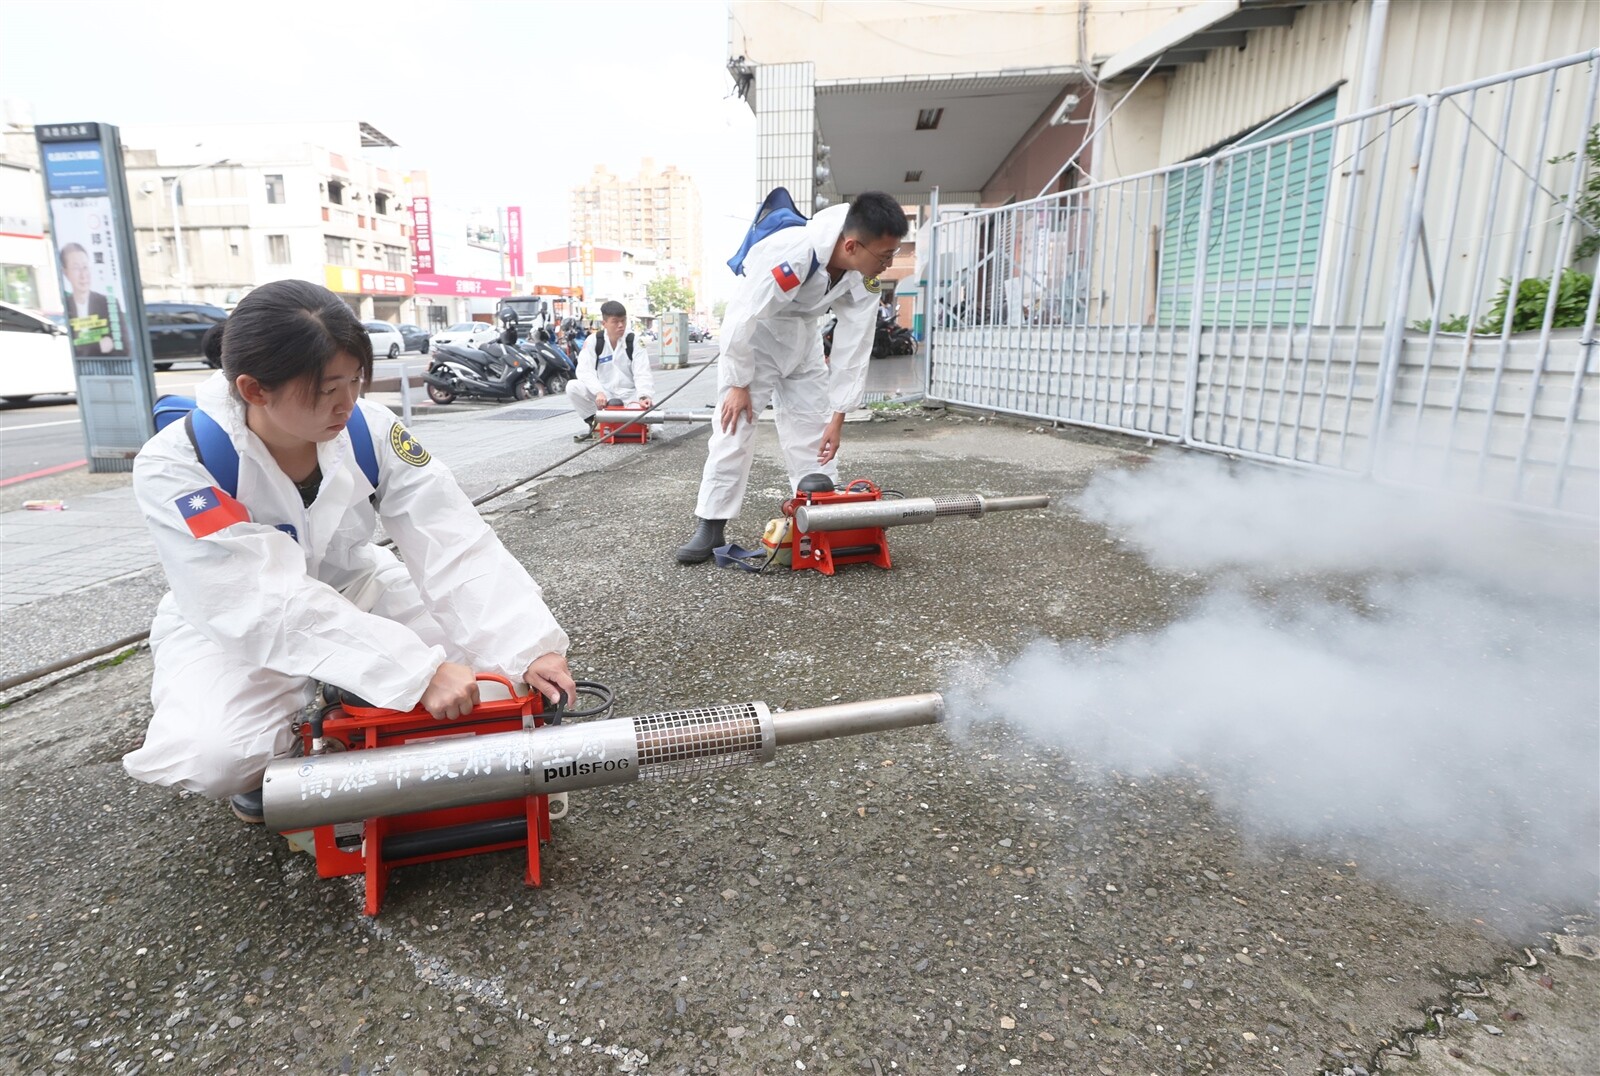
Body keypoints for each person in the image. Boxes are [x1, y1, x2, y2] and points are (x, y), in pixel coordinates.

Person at [124, 279, 576, 823]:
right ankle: (293, 738)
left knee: (496, 679)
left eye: (355, 380)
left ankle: (343, 694)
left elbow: (451, 536)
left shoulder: (371, 430)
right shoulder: (179, 465)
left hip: (356, 587)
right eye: (324, 388)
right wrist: (411, 670)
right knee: (219, 756)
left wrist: (529, 645)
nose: (347, 402)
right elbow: (257, 599)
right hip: (231, 620)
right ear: (253, 389)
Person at [675, 191, 908, 563]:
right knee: (734, 429)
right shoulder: (792, 251)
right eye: (884, 255)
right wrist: (737, 383)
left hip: (804, 341)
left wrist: (838, 415)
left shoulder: (863, 278)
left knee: (813, 432)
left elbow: (855, 345)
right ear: (851, 245)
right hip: (759, 339)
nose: (886, 264)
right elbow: (740, 316)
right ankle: (711, 522)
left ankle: (820, 515)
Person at [566, 300, 655, 442]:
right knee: (572, 386)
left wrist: (644, 396)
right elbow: (584, 371)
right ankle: (596, 423)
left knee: (654, 430)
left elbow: (642, 372)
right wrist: (598, 391)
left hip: (630, 396)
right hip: (604, 396)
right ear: (604, 323)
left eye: (623, 321)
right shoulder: (594, 341)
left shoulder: (634, 341)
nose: (621, 325)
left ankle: (630, 418)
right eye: (615, 321)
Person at [59, 242, 120, 357]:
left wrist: (82, 347)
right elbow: (67, 349)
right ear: (65, 273)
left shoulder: (108, 303)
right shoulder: (64, 307)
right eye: (76, 268)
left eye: (85, 267)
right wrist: (98, 346)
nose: (83, 275)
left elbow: (124, 348)